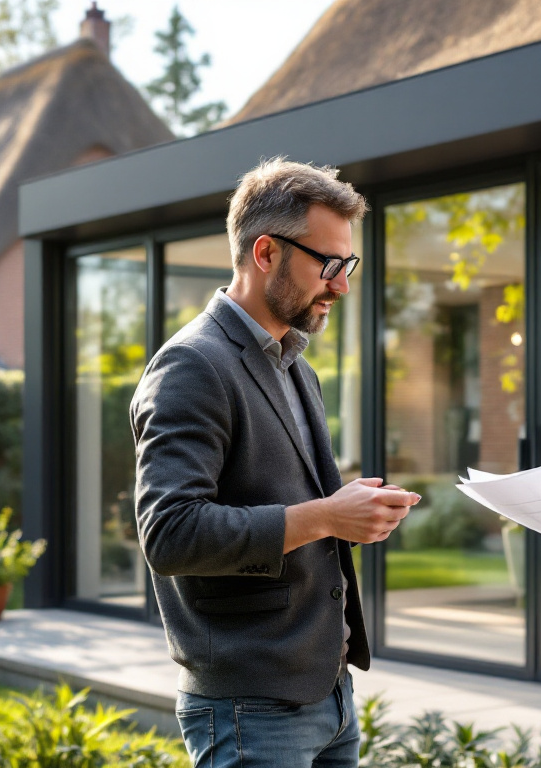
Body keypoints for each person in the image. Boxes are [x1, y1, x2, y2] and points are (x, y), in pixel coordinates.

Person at [130, 158, 421, 767]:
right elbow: (171, 533)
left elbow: (281, 501)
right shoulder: (191, 366)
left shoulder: (295, 365)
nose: (341, 286)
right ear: (266, 252)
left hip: (327, 690)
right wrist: (326, 516)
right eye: (329, 265)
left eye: (348, 265)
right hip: (250, 708)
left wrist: (350, 513)